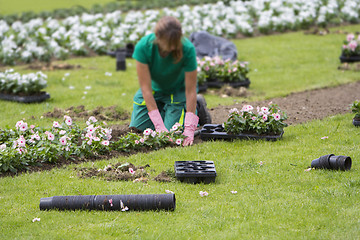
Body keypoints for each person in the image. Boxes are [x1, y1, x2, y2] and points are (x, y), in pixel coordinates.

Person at [129, 16, 211, 146]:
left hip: (177, 92)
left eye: (175, 42)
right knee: (139, 130)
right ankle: (163, 113)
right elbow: (145, 88)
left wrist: (189, 128)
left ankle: (197, 107)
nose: (173, 47)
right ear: (158, 37)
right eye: (169, 43)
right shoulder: (143, 47)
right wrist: (158, 124)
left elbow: (190, 90)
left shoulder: (187, 49)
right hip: (154, 90)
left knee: (172, 137)